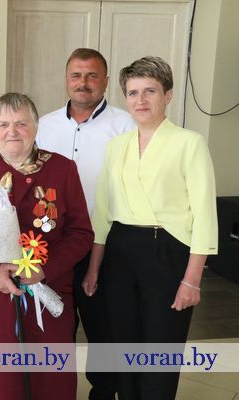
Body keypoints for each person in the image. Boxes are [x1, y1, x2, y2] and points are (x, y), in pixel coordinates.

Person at [85, 56, 217, 400]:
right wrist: (94, 268)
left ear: (167, 96)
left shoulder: (190, 143)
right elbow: (103, 213)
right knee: (123, 342)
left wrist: (192, 280)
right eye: (133, 93)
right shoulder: (116, 146)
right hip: (120, 250)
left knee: (161, 346)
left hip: (167, 251)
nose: (140, 100)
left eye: (150, 91)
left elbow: (205, 216)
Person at [0, 92, 94, 399]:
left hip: (47, 291)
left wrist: (45, 269)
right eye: (3, 125)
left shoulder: (62, 169)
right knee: (0, 385)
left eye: (21, 124)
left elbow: (81, 234)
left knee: (50, 383)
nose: (12, 132)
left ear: (36, 127)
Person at [36, 48, 135, 400]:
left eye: (92, 76)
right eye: (76, 75)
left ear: (105, 81)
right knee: (55, 327)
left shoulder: (125, 126)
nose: (83, 83)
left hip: (105, 246)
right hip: (54, 248)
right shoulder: (44, 126)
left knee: (103, 330)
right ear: (66, 79)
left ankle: (103, 393)